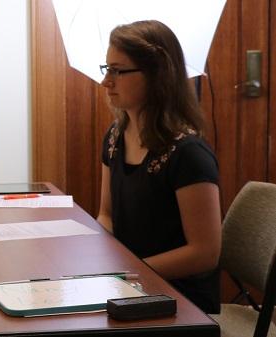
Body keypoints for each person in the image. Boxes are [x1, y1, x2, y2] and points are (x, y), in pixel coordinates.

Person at [96, 20, 222, 314]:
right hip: (131, 284)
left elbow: (205, 253)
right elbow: (106, 214)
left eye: (118, 70)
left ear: (157, 76)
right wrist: (99, 257)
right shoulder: (115, 136)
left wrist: (129, 270)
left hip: (181, 299)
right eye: (107, 69)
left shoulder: (188, 153)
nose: (106, 82)